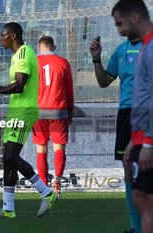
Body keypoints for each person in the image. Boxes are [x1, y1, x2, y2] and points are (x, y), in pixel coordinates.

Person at [0, 22, 57, 219]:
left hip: (24, 111)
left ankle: (46, 193)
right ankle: (8, 208)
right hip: (16, 111)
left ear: (13, 36)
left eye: (3, 35)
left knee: (11, 156)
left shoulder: (24, 53)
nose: (0, 39)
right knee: (8, 158)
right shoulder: (16, 56)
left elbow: (20, 85)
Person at [90, 20, 142, 233]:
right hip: (126, 115)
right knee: (128, 168)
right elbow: (104, 82)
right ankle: (135, 227)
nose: (120, 28)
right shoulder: (121, 50)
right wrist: (96, 59)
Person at [112, 1, 153, 233]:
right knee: (140, 195)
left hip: (149, 137)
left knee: (145, 199)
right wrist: (134, 141)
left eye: (120, 23)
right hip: (140, 134)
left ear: (135, 17)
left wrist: (147, 141)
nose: (119, 30)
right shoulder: (146, 47)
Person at [32, 36, 74, 198]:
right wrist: (69, 111)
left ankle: (43, 187)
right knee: (59, 148)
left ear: (39, 46)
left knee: (41, 149)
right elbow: (69, 90)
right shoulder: (63, 63)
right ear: (54, 46)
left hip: (38, 111)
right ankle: (57, 178)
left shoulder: (33, 62)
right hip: (58, 110)